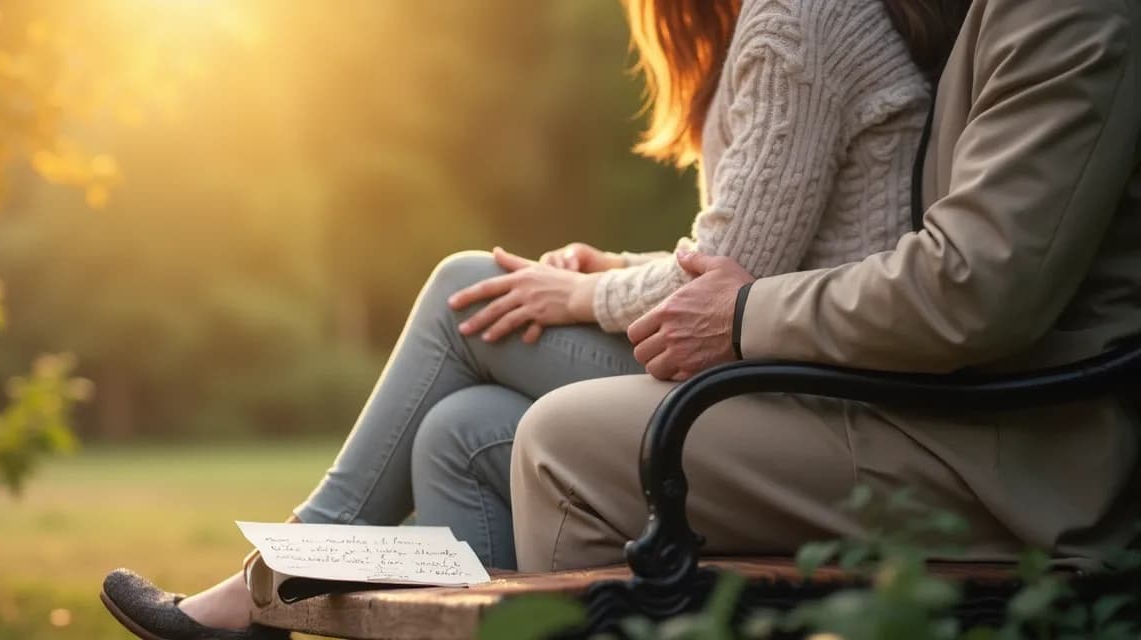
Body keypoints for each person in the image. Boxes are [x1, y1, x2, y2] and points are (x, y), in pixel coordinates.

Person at [100, 0, 961, 636]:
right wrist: (614, 268)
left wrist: (580, 296)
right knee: (460, 430)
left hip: (798, 391)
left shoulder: (799, 18)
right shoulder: (786, 20)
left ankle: (276, 576)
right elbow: (744, 255)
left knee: (463, 289)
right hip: (767, 370)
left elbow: (729, 282)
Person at [511, 0, 1141, 573]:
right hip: (943, 398)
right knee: (474, 425)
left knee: (557, 438)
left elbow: (974, 290)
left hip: (1012, 453)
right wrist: (622, 271)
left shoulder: (1063, 10)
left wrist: (741, 317)